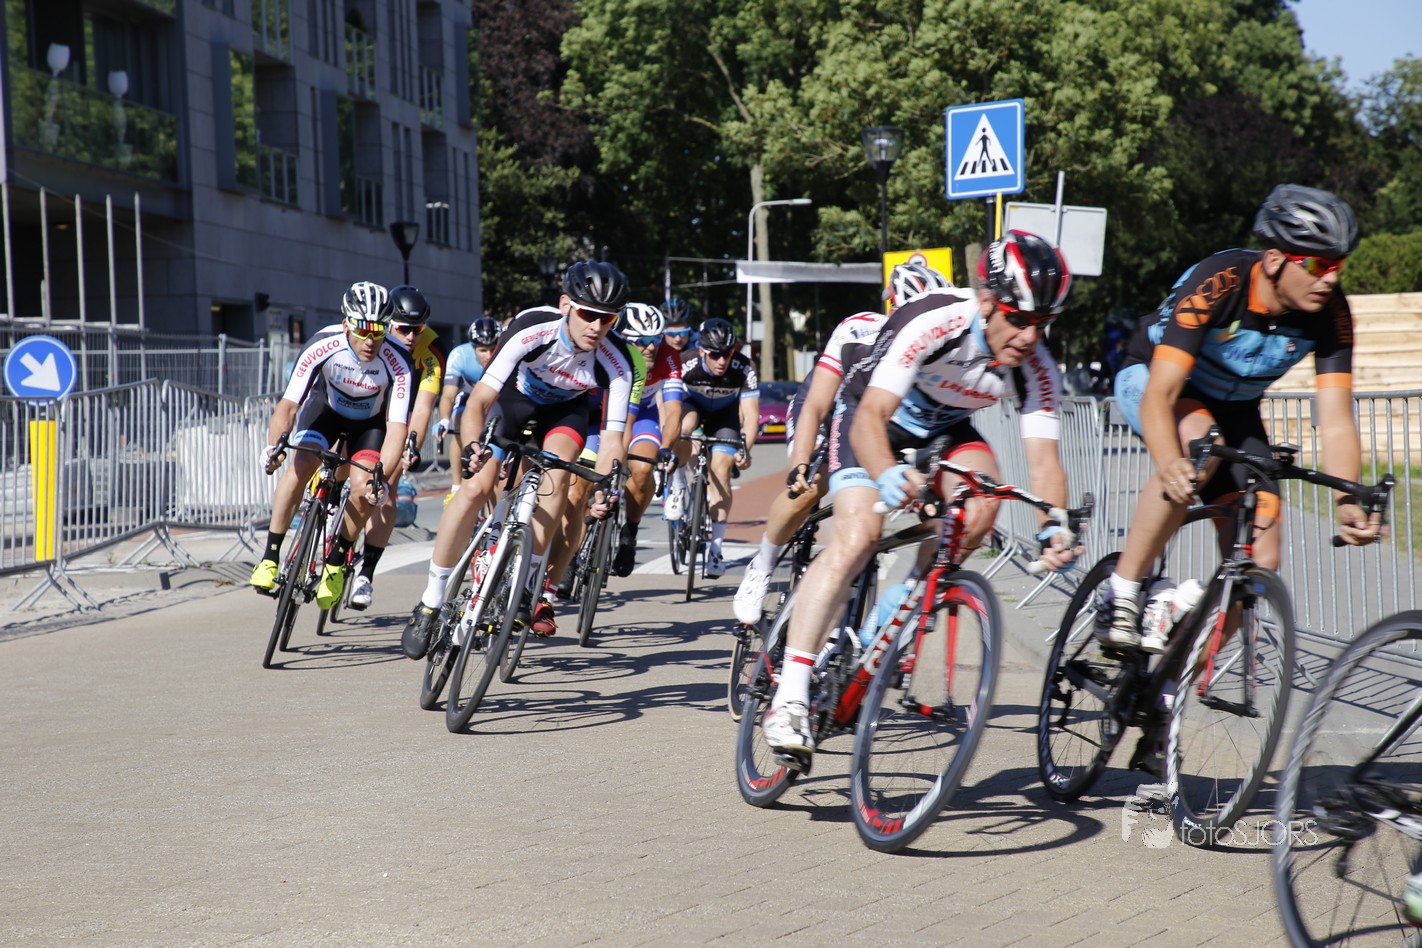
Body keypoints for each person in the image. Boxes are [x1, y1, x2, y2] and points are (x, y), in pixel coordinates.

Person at [761, 231, 1080, 754]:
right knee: (859, 533)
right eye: (1019, 319)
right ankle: (790, 697)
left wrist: (1055, 524)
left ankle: (901, 604)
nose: (1029, 337)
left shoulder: (1036, 367)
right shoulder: (935, 320)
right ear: (987, 301)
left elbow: (1045, 462)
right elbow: (870, 416)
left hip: (943, 431)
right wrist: (886, 473)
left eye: (1042, 324)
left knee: (982, 505)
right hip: (871, 418)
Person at [1096, 184, 1382, 653]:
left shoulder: (1331, 313)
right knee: (1200, 449)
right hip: (1156, 379)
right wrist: (1169, 461)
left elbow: (1335, 421)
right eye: (1317, 265)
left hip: (1235, 407)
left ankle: (1178, 678)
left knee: (1259, 559)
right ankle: (1122, 592)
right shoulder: (1219, 282)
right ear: (1274, 260)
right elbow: (1161, 394)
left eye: (1338, 266)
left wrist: (1346, 499)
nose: (1330, 279)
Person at [401, 261, 636, 657]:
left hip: (565, 413)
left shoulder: (617, 360)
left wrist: (604, 484)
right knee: (475, 488)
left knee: (558, 474)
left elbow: (613, 439)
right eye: (588, 314)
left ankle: (527, 583)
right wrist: (472, 446)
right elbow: (479, 402)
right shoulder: (532, 329)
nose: (597, 326)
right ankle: (431, 600)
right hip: (512, 401)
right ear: (566, 305)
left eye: (607, 318)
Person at [732, 262, 951, 626]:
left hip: (878, 423)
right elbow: (817, 405)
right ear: (892, 309)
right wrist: (800, 463)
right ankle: (763, 565)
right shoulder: (858, 330)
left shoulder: (939, 344)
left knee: (924, 512)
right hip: (827, 408)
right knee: (810, 486)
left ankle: (885, 614)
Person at [250, 281, 414, 610]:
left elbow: (397, 428)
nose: (371, 340)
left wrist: (381, 475)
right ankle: (270, 557)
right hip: (325, 412)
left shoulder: (399, 361)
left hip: (369, 425)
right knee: (301, 466)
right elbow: (289, 405)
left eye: (379, 331)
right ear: (346, 324)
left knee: (364, 487)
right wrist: (275, 447)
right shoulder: (323, 344)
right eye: (363, 330)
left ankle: (336, 563)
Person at [348, 285, 444, 610]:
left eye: (418, 329)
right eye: (403, 329)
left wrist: (412, 445)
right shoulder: (372, 339)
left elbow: (423, 406)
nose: (412, 336)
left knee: (387, 487)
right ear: (388, 324)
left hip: (400, 414)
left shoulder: (432, 351)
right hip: (365, 405)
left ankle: (365, 573)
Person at [667, 318, 759, 579]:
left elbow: (752, 416)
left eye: (727, 354)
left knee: (721, 471)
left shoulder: (744, 367)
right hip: (692, 407)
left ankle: (716, 549)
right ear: (702, 351)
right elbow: (670, 409)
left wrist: (745, 449)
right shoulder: (686, 362)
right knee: (685, 426)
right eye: (715, 355)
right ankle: (677, 484)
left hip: (724, 417)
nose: (721, 361)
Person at [607, 302, 684, 576]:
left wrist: (665, 448)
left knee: (642, 469)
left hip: (643, 415)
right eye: (641, 341)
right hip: (606, 412)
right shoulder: (608, 349)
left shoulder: (669, 357)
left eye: (656, 339)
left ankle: (630, 532)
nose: (651, 347)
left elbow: (674, 411)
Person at [437, 316, 501, 502]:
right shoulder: (460, 355)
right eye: (482, 350)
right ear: (473, 348)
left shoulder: (505, 355)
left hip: (494, 396)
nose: (488, 355)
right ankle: (456, 487)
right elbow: (448, 395)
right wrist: (444, 420)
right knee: (459, 421)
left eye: (492, 349)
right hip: (468, 393)